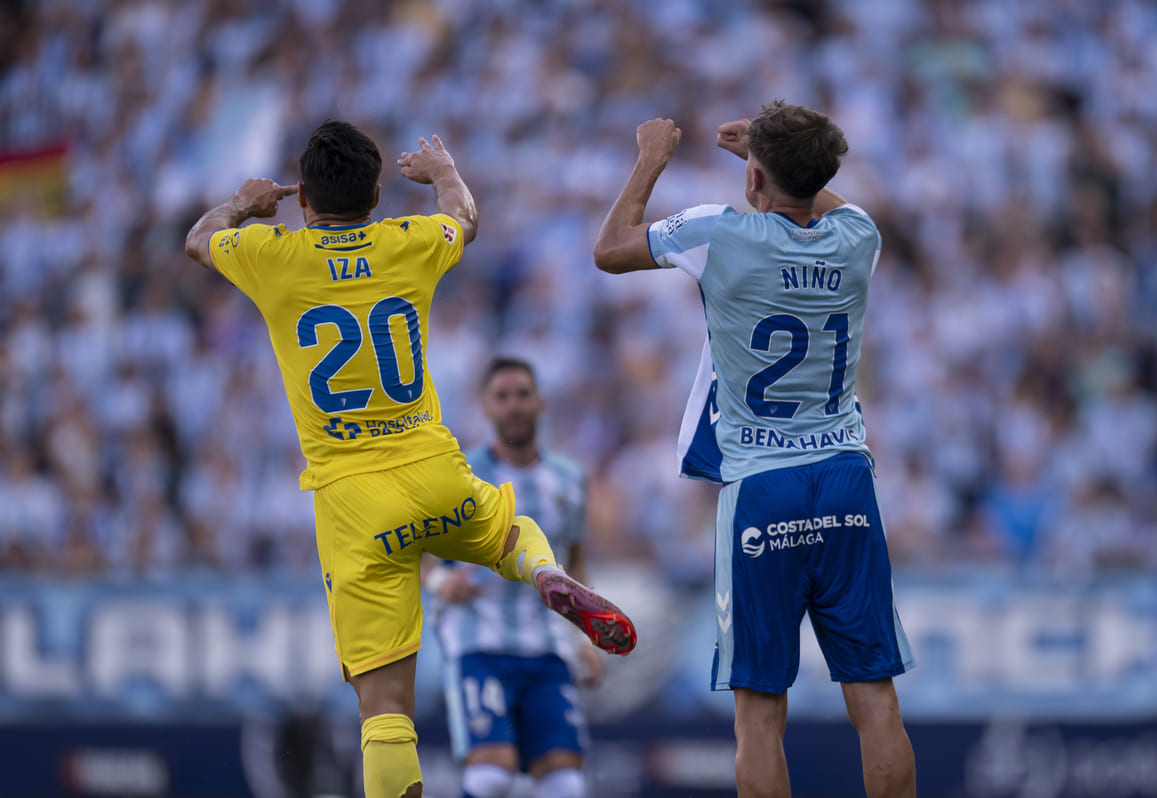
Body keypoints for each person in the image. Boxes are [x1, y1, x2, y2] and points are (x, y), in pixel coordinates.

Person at [183, 120, 636, 798]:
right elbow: (464, 217)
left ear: (303, 197)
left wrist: (245, 204)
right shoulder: (408, 241)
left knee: (385, 712)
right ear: (375, 196)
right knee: (514, 531)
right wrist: (444, 170)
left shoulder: (271, 255)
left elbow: (196, 240)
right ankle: (544, 574)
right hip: (434, 470)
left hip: (353, 500)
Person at [592, 103, 917, 798]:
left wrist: (651, 159)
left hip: (760, 487)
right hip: (844, 480)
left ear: (753, 178)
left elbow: (609, 248)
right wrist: (776, 162)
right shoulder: (857, 237)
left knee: (759, 713)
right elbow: (822, 194)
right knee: (874, 697)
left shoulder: (719, 230)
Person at [424, 356, 603, 798]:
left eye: (522, 394)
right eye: (502, 397)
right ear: (485, 407)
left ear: (540, 401)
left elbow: (574, 562)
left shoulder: (569, 479)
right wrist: (439, 584)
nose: (514, 406)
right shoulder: (460, 476)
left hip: (546, 647)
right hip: (477, 641)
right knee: (493, 774)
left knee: (566, 780)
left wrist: (584, 637)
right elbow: (419, 550)